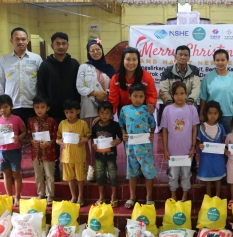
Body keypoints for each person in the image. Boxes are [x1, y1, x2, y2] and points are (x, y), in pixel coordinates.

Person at [37, 32, 80, 182]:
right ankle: (54, 167)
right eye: (57, 43)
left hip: (72, 112)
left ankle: (75, 166)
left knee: (72, 141)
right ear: (52, 45)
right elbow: (41, 89)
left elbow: (78, 88)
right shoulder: (45, 65)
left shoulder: (74, 64)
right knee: (53, 142)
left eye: (64, 43)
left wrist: (76, 109)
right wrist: (44, 110)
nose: (61, 46)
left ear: (68, 45)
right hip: (53, 112)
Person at [76, 38, 115, 173]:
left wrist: (106, 93)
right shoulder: (83, 67)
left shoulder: (109, 68)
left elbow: (114, 86)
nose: (95, 52)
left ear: (102, 50)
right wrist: (95, 93)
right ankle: (91, 167)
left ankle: (104, 166)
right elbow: (79, 86)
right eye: (92, 50)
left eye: (97, 49)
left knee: (103, 137)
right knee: (89, 139)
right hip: (89, 109)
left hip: (104, 111)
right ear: (88, 52)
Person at [0, 27, 43, 126]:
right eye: (17, 39)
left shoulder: (37, 59)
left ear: (28, 41)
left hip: (32, 106)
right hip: (11, 107)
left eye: (23, 39)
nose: (20, 41)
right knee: (13, 137)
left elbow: (42, 82)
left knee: (33, 136)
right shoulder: (4, 60)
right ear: (11, 40)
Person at [119, 83, 156, 209]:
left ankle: (149, 197)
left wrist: (151, 134)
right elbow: (122, 124)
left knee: (148, 172)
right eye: (135, 96)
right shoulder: (125, 110)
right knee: (132, 172)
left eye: (141, 96)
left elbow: (153, 124)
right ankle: (132, 196)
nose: (138, 99)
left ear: (144, 97)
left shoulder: (147, 110)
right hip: (131, 148)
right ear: (130, 96)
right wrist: (123, 134)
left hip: (146, 148)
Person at [160, 82, 199, 201]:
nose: (179, 96)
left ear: (186, 94)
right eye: (176, 94)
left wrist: (193, 147)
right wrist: (165, 150)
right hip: (173, 151)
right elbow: (165, 131)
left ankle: (184, 196)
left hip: (187, 150)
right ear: (172, 95)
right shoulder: (167, 110)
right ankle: (173, 196)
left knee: (186, 174)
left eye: (182, 93)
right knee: (173, 175)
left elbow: (194, 129)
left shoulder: (191, 109)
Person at [0, 94, 27, 207]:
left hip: (14, 151)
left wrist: (18, 138)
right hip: (1, 152)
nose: (2, 110)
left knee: (16, 174)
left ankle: (17, 197)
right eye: (0, 108)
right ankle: (9, 196)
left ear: (11, 106)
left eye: (5, 107)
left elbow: (24, 132)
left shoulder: (17, 119)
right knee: (6, 175)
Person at [56, 99, 91, 206]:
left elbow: (88, 135)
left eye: (71, 112)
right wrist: (59, 142)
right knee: (70, 178)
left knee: (80, 178)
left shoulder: (82, 123)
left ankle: (80, 196)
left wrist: (84, 139)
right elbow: (58, 137)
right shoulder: (62, 123)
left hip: (79, 156)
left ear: (78, 111)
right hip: (67, 157)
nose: (69, 115)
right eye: (66, 112)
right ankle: (73, 196)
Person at [199, 49, 233, 134]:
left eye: (223, 60)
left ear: (227, 61)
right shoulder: (208, 77)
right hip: (211, 116)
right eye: (217, 60)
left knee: (226, 141)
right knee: (212, 142)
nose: (220, 62)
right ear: (214, 61)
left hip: (228, 116)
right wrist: (201, 113)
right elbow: (203, 97)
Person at [27, 96, 58, 206]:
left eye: (42, 107)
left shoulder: (52, 121)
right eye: (37, 107)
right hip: (36, 153)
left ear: (48, 108)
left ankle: (50, 195)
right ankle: (41, 193)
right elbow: (30, 134)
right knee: (38, 175)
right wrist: (32, 141)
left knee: (49, 175)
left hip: (49, 152)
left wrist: (48, 143)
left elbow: (56, 136)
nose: (39, 110)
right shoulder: (31, 121)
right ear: (33, 108)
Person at [109, 47, 157, 115]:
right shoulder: (116, 78)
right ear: (123, 60)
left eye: (134, 59)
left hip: (142, 114)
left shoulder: (146, 77)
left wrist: (151, 104)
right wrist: (108, 114)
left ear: (138, 61)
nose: (131, 63)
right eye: (128, 59)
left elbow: (151, 94)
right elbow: (113, 99)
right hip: (123, 114)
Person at [91, 101, 122, 207]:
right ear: (98, 113)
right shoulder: (95, 126)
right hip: (99, 156)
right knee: (99, 175)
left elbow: (121, 137)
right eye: (102, 112)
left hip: (111, 156)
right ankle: (101, 196)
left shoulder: (115, 125)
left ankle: (113, 196)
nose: (104, 115)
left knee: (113, 175)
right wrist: (93, 145)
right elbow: (93, 138)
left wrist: (118, 141)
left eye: (107, 113)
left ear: (112, 114)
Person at [197, 100, 226, 197]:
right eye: (210, 113)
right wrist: (200, 144)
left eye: (215, 113)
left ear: (219, 114)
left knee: (218, 178)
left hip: (218, 158)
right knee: (207, 179)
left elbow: (223, 140)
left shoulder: (221, 127)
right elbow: (198, 140)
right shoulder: (202, 127)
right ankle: (208, 197)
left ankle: (217, 196)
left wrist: (223, 147)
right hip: (206, 158)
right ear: (206, 113)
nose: (213, 116)